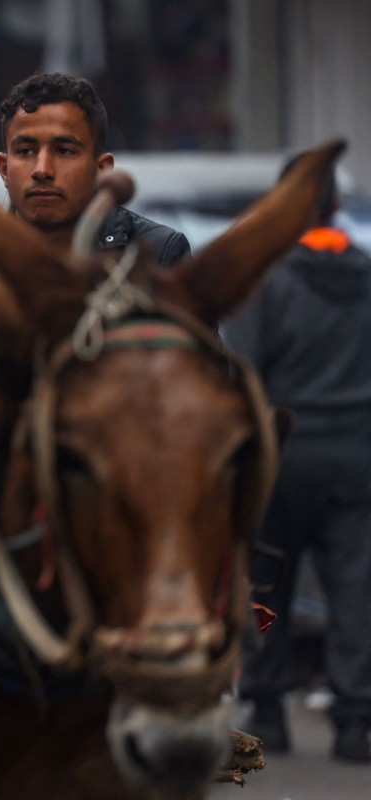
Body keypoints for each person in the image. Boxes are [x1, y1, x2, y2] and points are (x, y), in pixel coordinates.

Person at [225, 153, 371, 764]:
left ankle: (265, 714)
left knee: (265, 586)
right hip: (359, 458)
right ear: (336, 206)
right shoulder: (368, 274)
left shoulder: (266, 278)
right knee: (355, 589)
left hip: (281, 458)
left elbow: (244, 372)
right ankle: (355, 723)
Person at [0, 72, 191, 335]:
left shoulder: (156, 257)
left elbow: (201, 385)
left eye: (65, 150)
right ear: (4, 169)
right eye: (26, 151)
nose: (42, 169)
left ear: (102, 170)